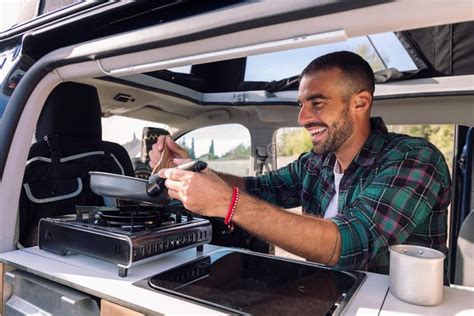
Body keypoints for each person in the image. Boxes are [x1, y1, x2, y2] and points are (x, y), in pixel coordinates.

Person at [149, 51, 451, 275]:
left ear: (360, 103)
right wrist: (192, 167)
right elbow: (257, 188)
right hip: (325, 292)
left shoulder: (414, 158)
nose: (303, 118)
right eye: (301, 105)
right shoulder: (315, 164)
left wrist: (229, 204)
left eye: (317, 103)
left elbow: (349, 243)